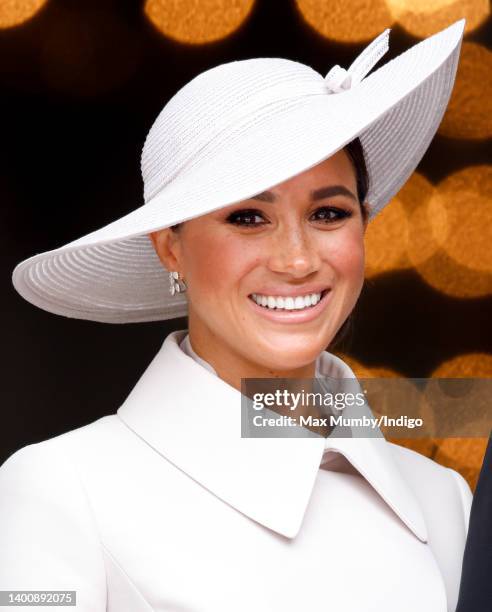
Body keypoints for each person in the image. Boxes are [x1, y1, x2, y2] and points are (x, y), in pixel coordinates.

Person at [0, 19, 472, 612]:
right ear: (170, 247)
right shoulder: (61, 487)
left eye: (328, 214)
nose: (298, 260)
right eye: (248, 217)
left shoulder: (443, 498)